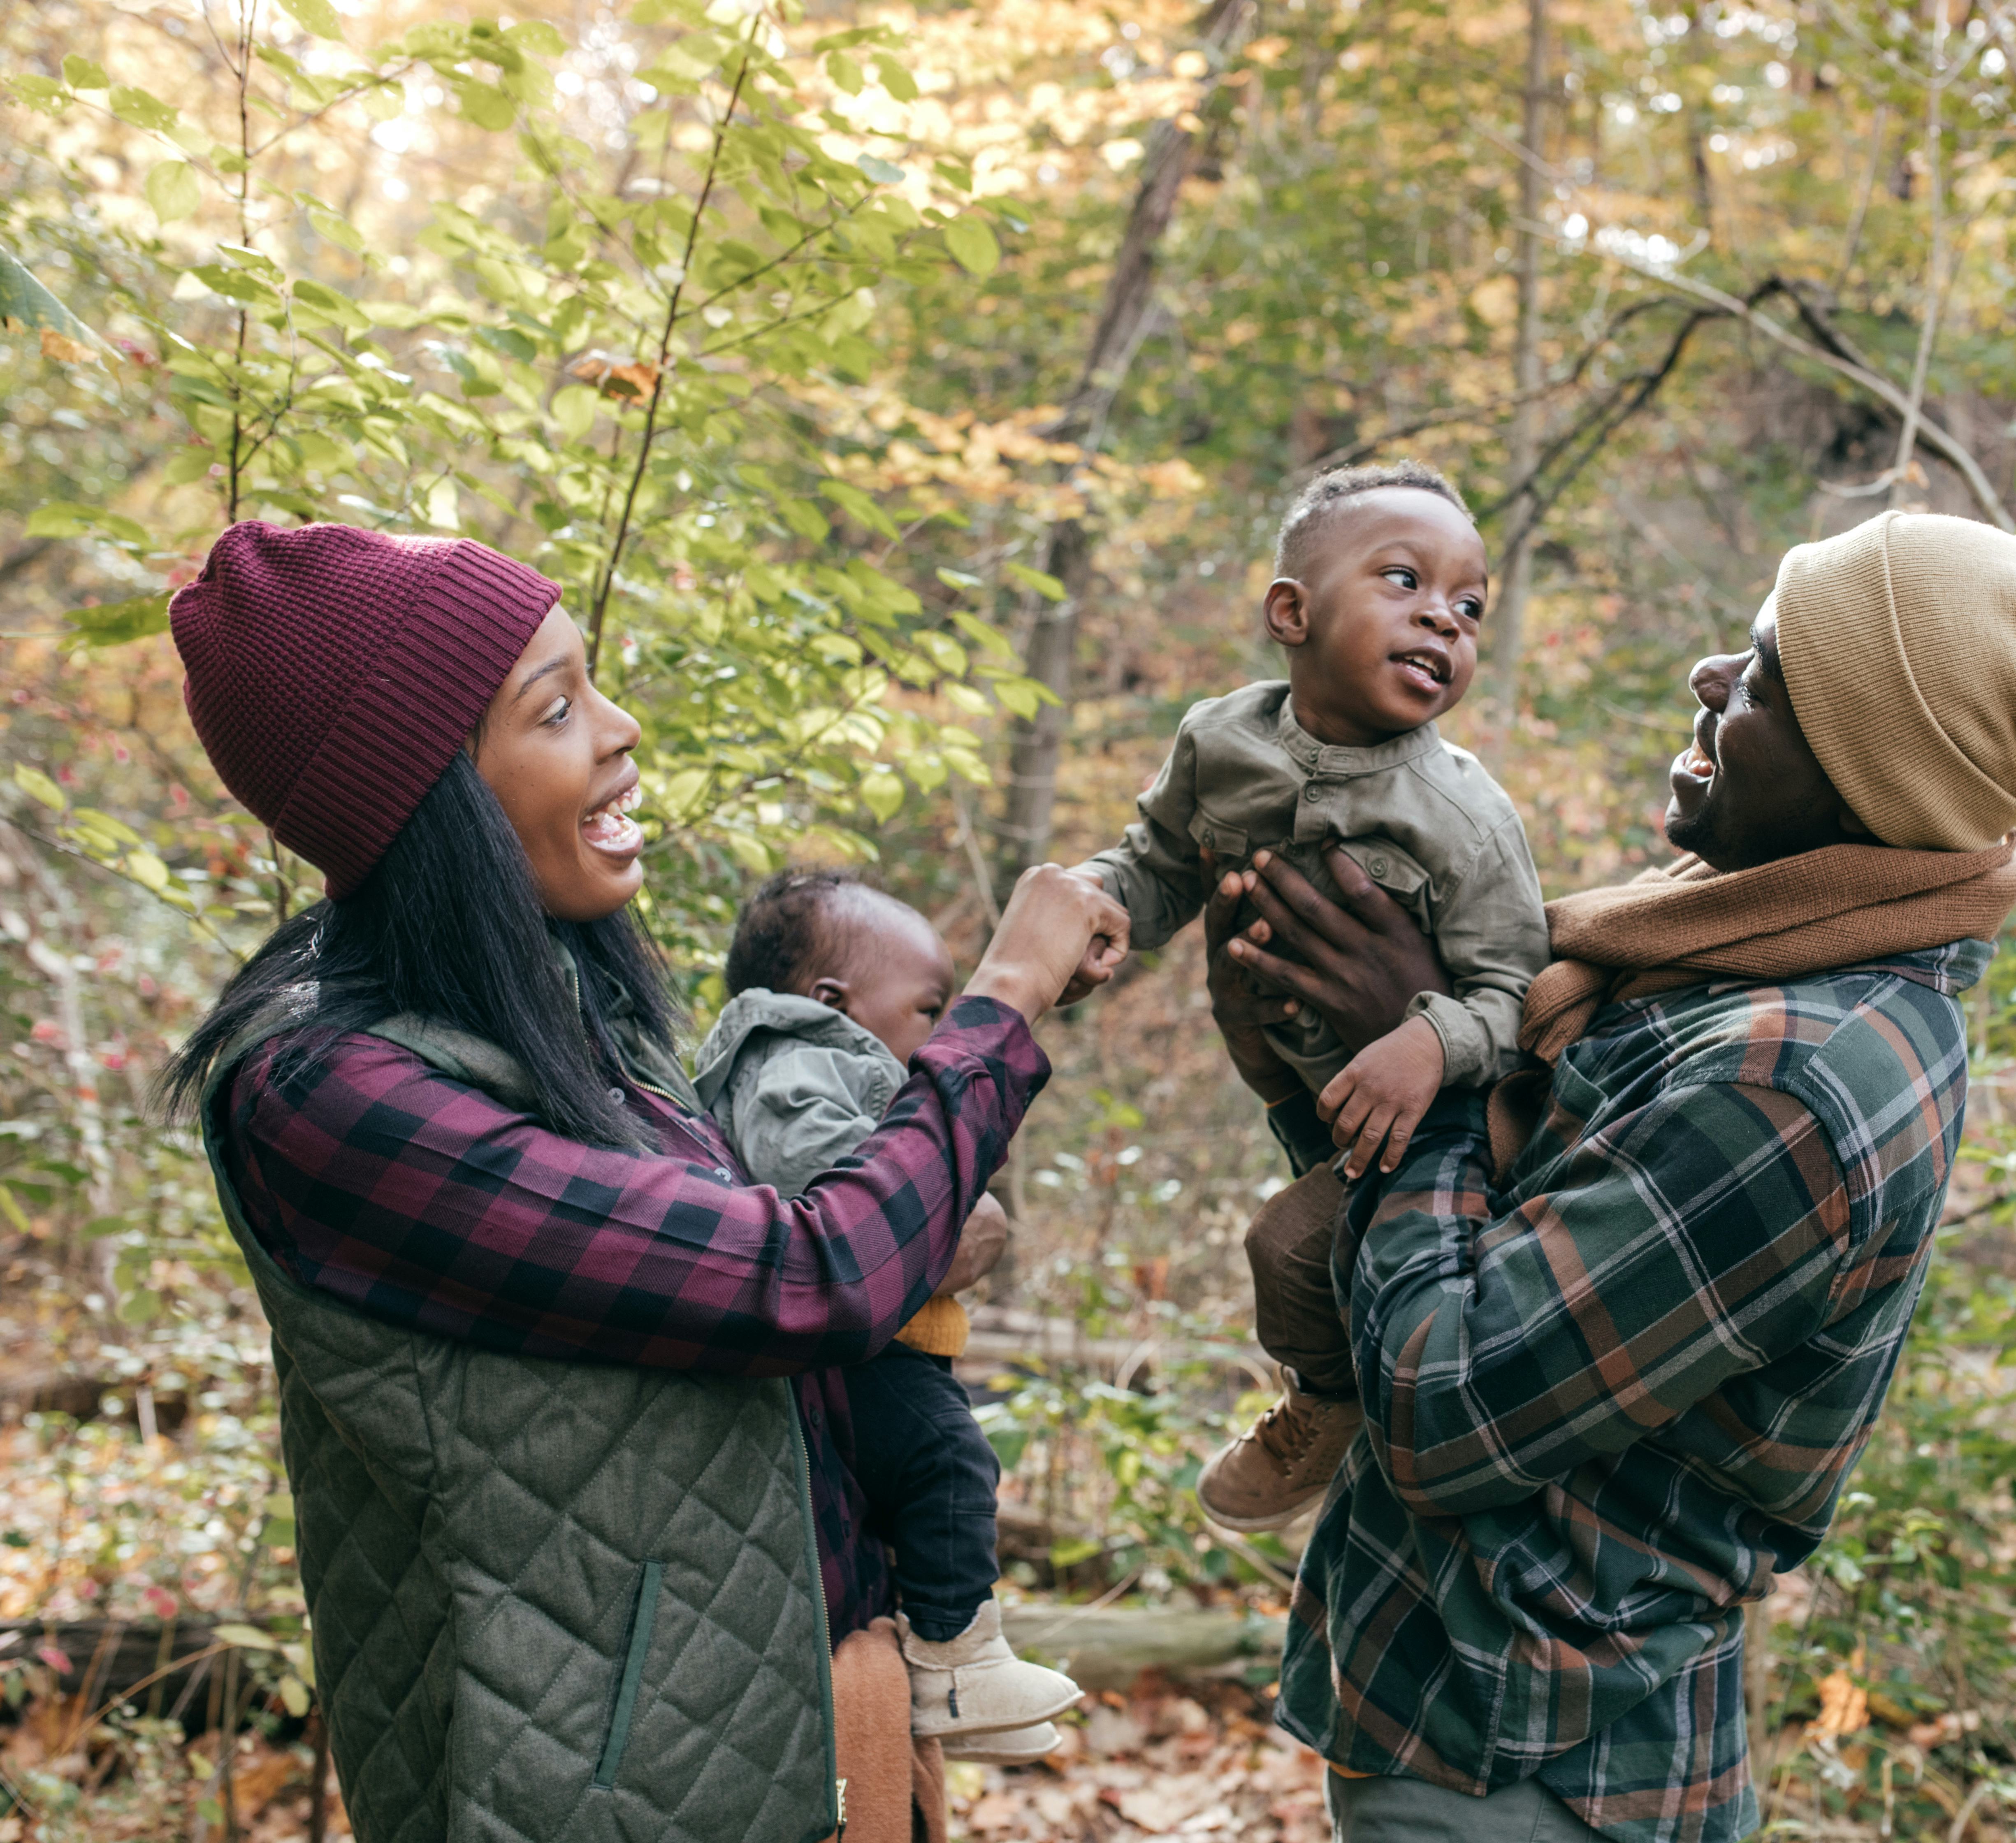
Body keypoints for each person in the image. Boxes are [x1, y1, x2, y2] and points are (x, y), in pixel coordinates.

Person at [158, 521, 1127, 1842]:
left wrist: (930, 1218)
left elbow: (775, 1275)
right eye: (556, 709)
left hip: (805, 1715)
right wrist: (1001, 1003)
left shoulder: (557, 1015)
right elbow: (808, 1278)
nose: (620, 731)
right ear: (429, 799)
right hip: (593, 1794)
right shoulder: (330, 1101)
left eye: (595, 684)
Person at [1204, 511, 2016, 1843]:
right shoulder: (1713, 959)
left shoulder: (1796, 1080)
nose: (1708, 677)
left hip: (1529, 1767)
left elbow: (1446, 1412)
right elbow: (1443, 1240)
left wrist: (1430, 1059)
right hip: (1474, 1722)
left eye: (1764, 676)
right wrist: (1341, 1046)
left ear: (1869, 769)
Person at [1072, 460, 1550, 1532]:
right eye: (1404, 581)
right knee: (1331, 1261)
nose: (1444, 617)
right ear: (1291, 611)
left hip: (1454, 1116)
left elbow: (1522, 996)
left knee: (1290, 1248)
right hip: (1317, 1102)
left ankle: (1327, 1414)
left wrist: (1433, 1043)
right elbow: (1158, 862)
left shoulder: (1460, 817)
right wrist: (1096, 914)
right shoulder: (1220, 740)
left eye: (1470, 607)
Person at [691, 870, 1081, 1764]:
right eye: (929, 1009)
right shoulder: (796, 1062)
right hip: (858, 1354)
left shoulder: (826, 1058)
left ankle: (959, 1666)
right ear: (832, 1000)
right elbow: (822, 1184)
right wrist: (924, 1190)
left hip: (874, 1347)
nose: (942, 1036)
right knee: (949, 1458)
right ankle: (956, 1657)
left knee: (924, 1480)